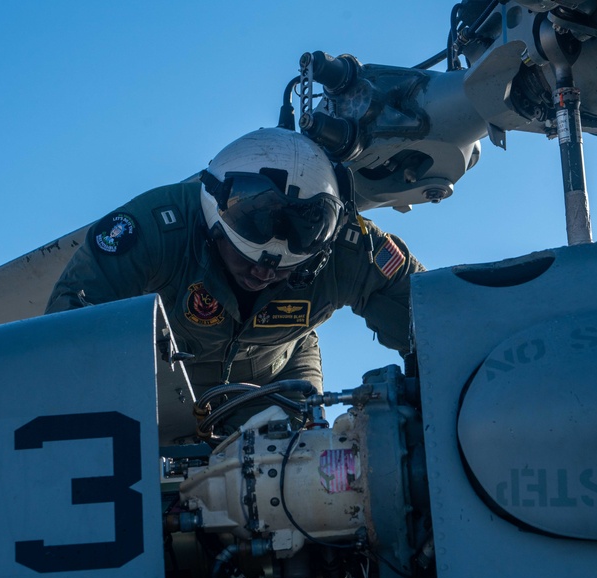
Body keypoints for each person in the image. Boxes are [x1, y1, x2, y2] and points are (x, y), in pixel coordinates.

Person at [46, 127, 423, 430]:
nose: (262, 272)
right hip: (162, 393)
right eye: (246, 259)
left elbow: (433, 314)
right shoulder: (154, 229)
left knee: (301, 479)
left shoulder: (354, 249)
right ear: (212, 225)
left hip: (278, 380)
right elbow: (69, 325)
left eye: (281, 271)